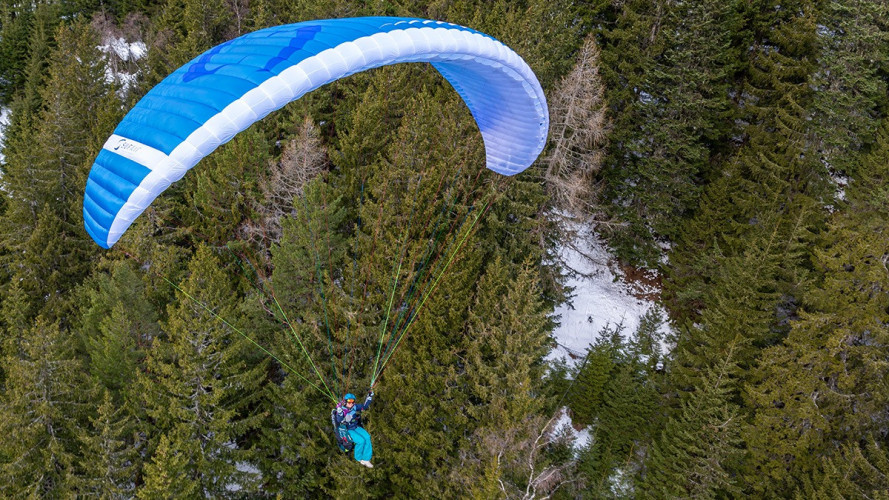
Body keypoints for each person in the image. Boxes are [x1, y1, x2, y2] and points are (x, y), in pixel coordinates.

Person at [333, 390, 374, 468]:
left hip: (355, 426)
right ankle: (358, 458)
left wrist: (369, 396)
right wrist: (340, 412)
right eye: (349, 402)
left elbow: (364, 406)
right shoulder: (341, 410)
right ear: (345, 402)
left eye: (352, 402)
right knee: (360, 441)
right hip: (348, 429)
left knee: (367, 437)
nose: (351, 404)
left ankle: (366, 459)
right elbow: (338, 420)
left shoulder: (354, 407)